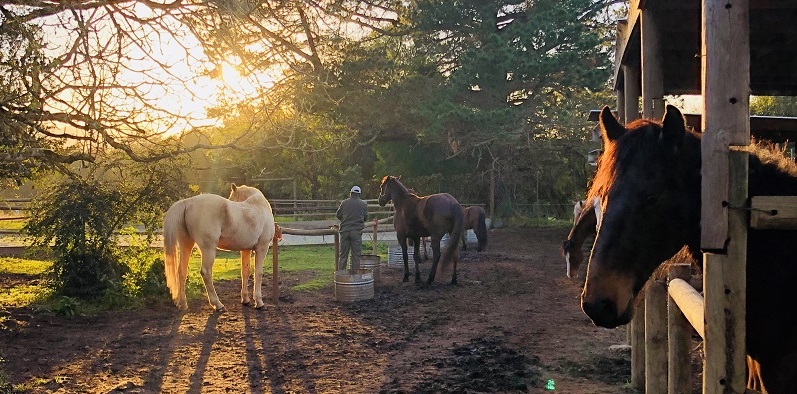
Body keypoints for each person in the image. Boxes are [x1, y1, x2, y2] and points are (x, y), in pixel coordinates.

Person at [336, 185, 368, 271]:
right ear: (359, 194)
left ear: (351, 193)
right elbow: (365, 217)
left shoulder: (344, 203)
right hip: (356, 232)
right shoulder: (363, 204)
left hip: (345, 231)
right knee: (356, 256)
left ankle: (341, 276)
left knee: (343, 255)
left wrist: (346, 219)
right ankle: (354, 276)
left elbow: (338, 215)